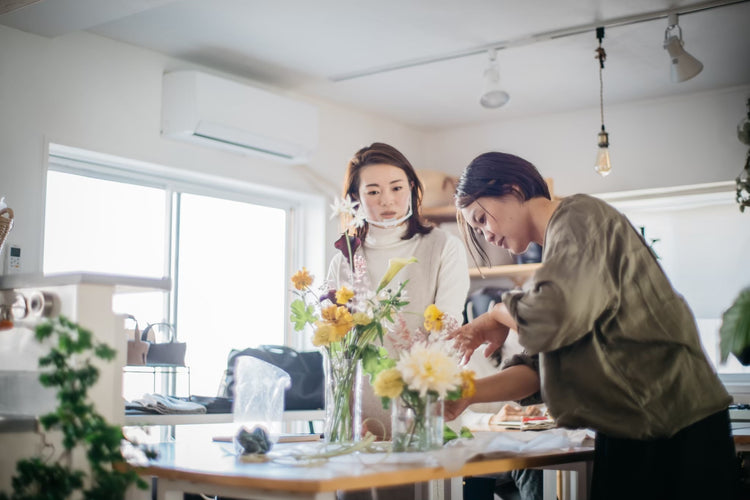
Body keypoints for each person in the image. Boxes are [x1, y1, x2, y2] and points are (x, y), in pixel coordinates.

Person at [445, 151, 740, 500]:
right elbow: (542, 365)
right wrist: (466, 394)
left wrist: (496, 314)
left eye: (482, 219)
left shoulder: (580, 216)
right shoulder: (561, 258)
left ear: (512, 188)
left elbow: (550, 320)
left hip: (675, 426)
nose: (487, 236)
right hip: (635, 429)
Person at [327, 142, 478, 440]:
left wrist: (414, 409)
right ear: (355, 197)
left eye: (396, 188)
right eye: (373, 191)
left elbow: (447, 332)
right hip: (361, 419)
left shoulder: (443, 247)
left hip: (425, 411)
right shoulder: (345, 258)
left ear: (411, 187)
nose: (387, 201)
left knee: (427, 488)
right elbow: (336, 350)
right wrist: (341, 415)